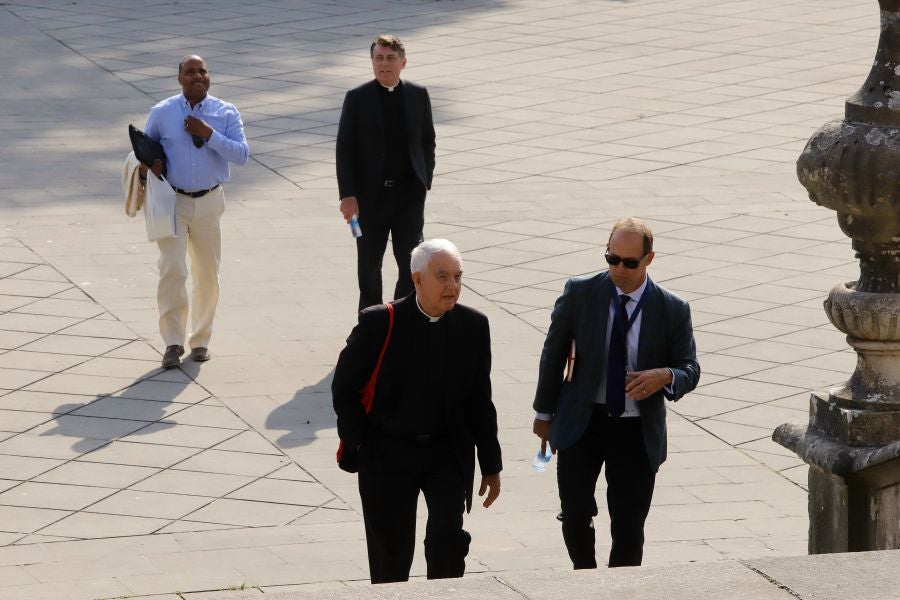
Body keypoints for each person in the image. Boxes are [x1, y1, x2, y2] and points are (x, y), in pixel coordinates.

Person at [532, 217, 700, 569]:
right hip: (583, 421)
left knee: (627, 527)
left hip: (635, 430)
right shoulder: (580, 293)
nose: (618, 269)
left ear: (649, 259)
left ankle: (619, 589)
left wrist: (664, 375)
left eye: (629, 262)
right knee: (575, 512)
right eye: (612, 259)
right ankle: (585, 575)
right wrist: (544, 414)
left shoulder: (671, 308)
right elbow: (554, 352)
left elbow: (690, 367)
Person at [332, 238, 501, 584]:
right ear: (417, 280)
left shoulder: (473, 326)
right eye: (442, 276)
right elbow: (343, 388)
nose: (452, 286)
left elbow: (479, 400)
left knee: (448, 544)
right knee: (391, 557)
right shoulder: (379, 322)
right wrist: (361, 442)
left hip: (446, 453)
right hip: (387, 454)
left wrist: (491, 464)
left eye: (458, 276)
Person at [139, 55, 249, 369]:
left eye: (202, 71)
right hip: (171, 201)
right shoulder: (162, 113)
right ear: (180, 79)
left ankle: (200, 340)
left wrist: (208, 133)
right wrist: (150, 166)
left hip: (210, 201)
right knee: (172, 269)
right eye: (190, 72)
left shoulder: (226, 112)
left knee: (207, 273)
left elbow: (241, 154)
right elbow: (145, 152)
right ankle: (173, 343)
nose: (197, 76)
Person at [336, 34, 436, 312]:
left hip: (408, 197)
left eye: (390, 58)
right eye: (378, 58)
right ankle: (370, 322)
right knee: (368, 266)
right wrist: (348, 195)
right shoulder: (357, 98)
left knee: (411, 264)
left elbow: (427, 140)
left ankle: (400, 317)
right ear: (372, 62)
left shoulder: (418, 95)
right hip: (369, 199)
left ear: (403, 63)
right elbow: (344, 148)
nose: (384, 64)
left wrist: (424, 179)